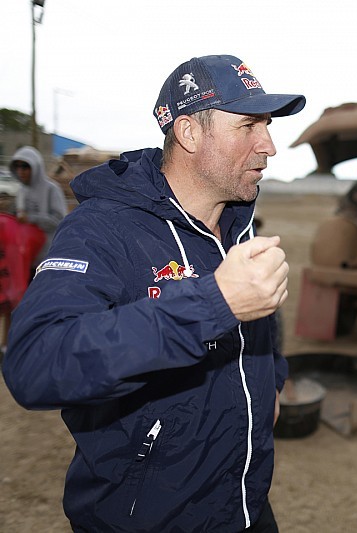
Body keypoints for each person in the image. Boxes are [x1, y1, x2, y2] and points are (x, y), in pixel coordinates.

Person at [2, 54, 305, 532]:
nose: (268, 145)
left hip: (244, 509)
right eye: (248, 126)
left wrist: (273, 381)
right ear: (188, 133)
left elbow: (256, 323)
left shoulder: (233, 224)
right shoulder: (102, 230)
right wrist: (212, 304)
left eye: (266, 126)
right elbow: (35, 362)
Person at [9, 145, 67, 268]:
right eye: (17, 166)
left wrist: (31, 218)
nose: (21, 171)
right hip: (26, 256)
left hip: (47, 257)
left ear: (35, 167)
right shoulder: (21, 191)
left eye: (25, 166)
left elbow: (59, 221)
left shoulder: (51, 189)